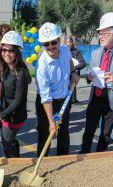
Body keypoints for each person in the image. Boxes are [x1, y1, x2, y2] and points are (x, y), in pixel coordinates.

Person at [80, 12, 113, 153]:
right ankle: (83, 154)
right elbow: (89, 71)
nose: (100, 36)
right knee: (88, 130)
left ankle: (99, 157)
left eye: (104, 33)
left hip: (112, 101)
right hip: (95, 98)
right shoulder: (95, 53)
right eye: (100, 33)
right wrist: (88, 77)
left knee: (106, 134)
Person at [35, 22, 80, 157]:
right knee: (46, 134)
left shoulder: (65, 50)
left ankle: (62, 159)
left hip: (64, 99)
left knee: (63, 132)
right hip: (47, 103)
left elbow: (70, 61)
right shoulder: (42, 67)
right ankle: (42, 161)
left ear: (59, 41)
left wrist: (73, 73)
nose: (50, 47)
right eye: (46, 44)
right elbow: (45, 97)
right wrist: (50, 121)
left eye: (53, 42)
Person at [0, 31, 31, 158]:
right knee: (8, 140)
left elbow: (18, 100)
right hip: (4, 110)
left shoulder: (21, 73)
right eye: (4, 50)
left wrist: (0, 115)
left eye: (11, 51)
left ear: (17, 52)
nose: (7, 53)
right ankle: (14, 155)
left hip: (14, 115)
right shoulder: (3, 66)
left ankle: (13, 162)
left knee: (5, 142)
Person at [65, 36, 86, 104]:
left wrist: (73, 68)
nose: (67, 43)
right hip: (65, 75)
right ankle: (70, 100)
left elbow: (83, 63)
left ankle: (72, 100)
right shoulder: (62, 51)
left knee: (71, 88)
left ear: (71, 43)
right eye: (66, 42)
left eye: (68, 42)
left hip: (73, 75)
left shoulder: (76, 52)